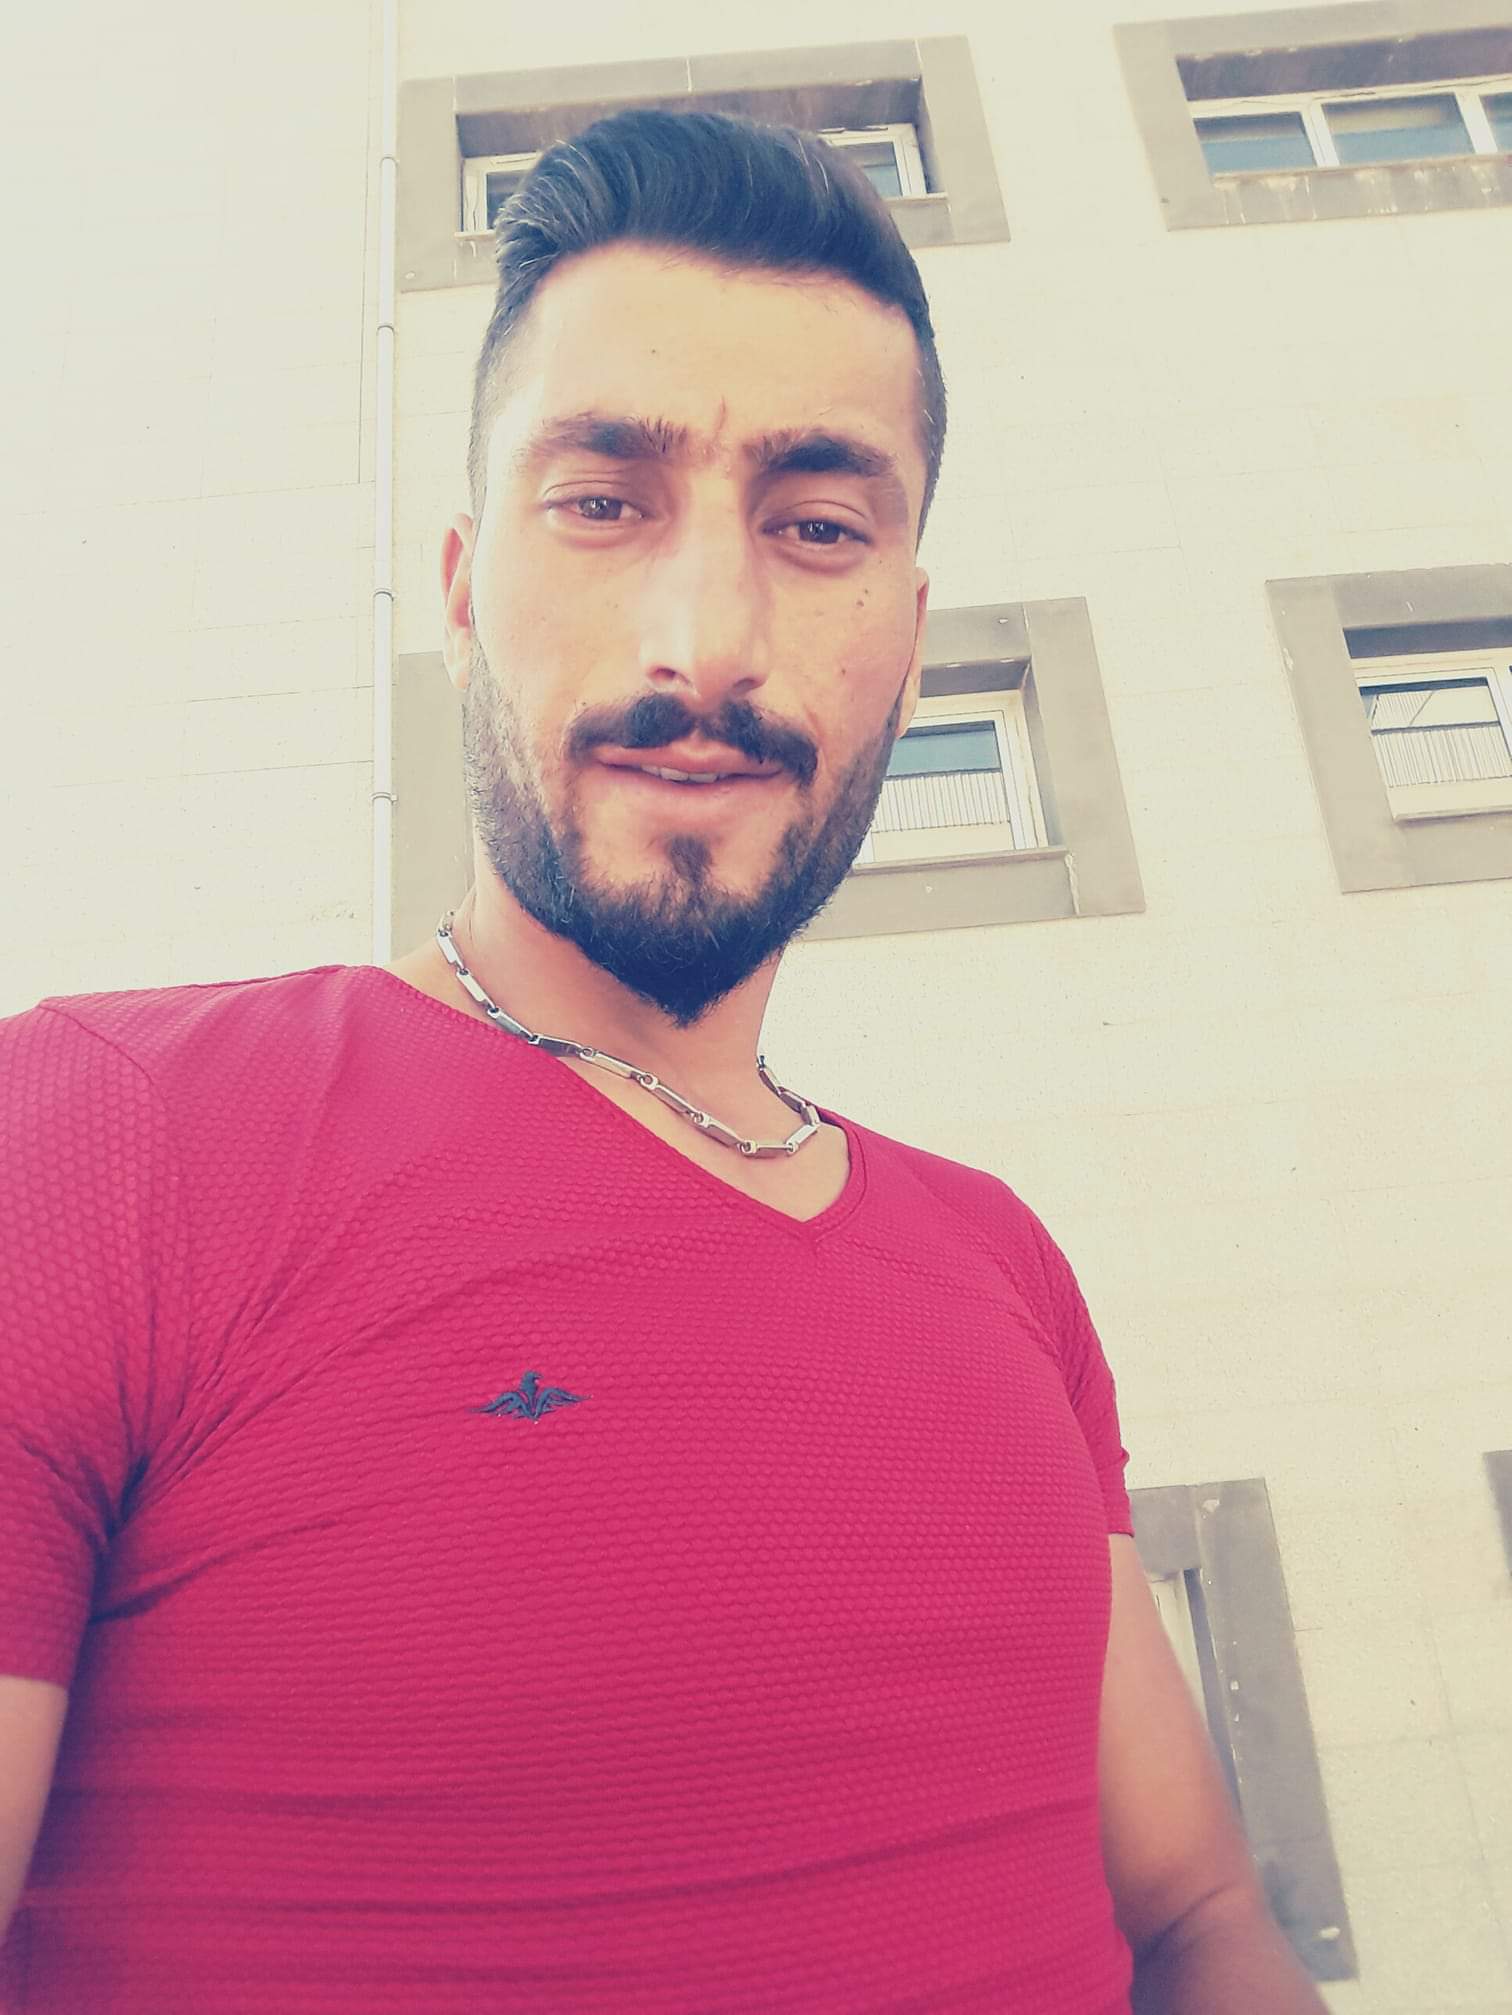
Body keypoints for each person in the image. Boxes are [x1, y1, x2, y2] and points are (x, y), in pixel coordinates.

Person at [0, 109, 1325, 2013]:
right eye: (603, 502)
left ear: (911, 638)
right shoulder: (92, 1149)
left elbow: (1195, 1919)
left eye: (819, 527)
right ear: (464, 586)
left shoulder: (1005, 1265)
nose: (706, 641)